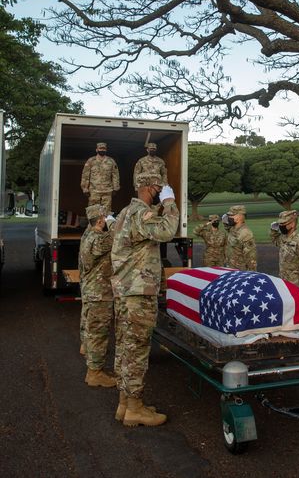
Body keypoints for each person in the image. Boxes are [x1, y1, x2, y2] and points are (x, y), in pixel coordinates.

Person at [111, 173, 179, 427]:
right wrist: (170, 202)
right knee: (137, 351)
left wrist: (160, 206)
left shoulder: (126, 213)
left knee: (126, 349)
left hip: (126, 292)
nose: (161, 192)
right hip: (138, 294)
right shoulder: (140, 214)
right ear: (152, 188)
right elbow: (167, 230)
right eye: (160, 189)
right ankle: (135, 408)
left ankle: (125, 404)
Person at [79, 204, 116, 388]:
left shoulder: (87, 235)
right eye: (105, 217)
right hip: (99, 293)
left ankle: (90, 356)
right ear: (100, 220)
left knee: (91, 329)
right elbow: (117, 235)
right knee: (98, 334)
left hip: (90, 289)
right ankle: (95, 373)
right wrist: (113, 222)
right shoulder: (98, 239)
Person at [270, 209, 299, 290]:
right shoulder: (283, 237)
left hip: (295, 284)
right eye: (280, 224)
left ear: (292, 224)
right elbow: (276, 242)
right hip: (284, 282)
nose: (281, 226)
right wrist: (273, 231)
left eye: (283, 224)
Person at [81, 142, 120, 214]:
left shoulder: (111, 161)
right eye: (100, 148)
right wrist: (85, 188)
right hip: (94, 191)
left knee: (106, 212)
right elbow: (85, 175)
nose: (102, 150)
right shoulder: (91, 161)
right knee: (93, 213)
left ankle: (104, 225)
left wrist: (115, 188)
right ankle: (93, 225)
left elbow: (115, 175)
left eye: (104, 149)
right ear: (96, 150)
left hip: (107, 191)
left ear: (106, 150)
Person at [223, 204, 257, 271]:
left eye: (231, 215)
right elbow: (228, 228)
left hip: (240, 272)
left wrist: (251, 275)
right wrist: (225, 222)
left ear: (240, 217)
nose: (229, 217)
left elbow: (251, 258)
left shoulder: (245, 233)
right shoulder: (233, 229)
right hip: (230, 268)